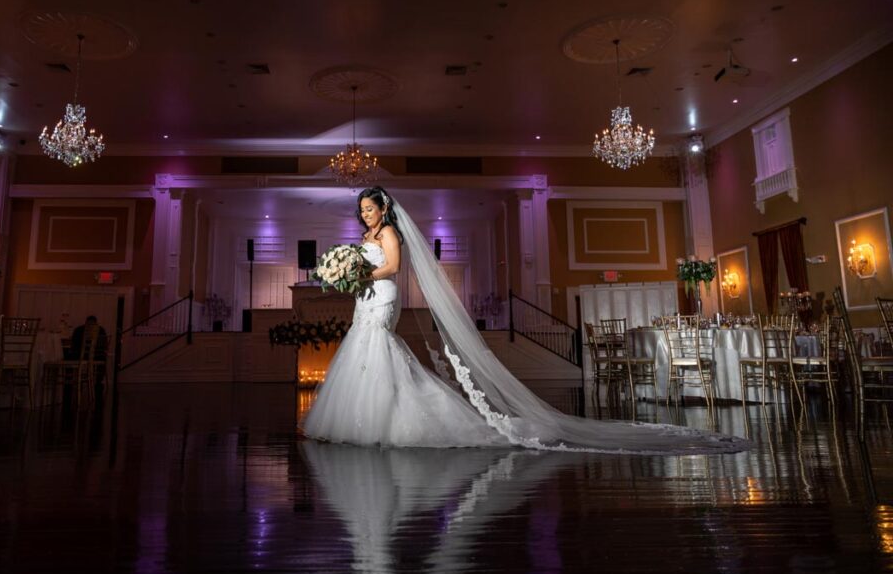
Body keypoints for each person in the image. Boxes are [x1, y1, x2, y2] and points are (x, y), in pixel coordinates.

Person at [299, 186, 750, 455]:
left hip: (383, 294)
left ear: (383, 209)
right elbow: (367, 263)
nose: (365, 215)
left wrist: (361, 270)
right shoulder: (363, 237)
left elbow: (394, 268)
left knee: (379, 345)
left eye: (370, 209)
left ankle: (392, 420)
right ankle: (367, 421)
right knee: (363, 346)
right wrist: (352, 273)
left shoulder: (391, 234)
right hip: (365, 297)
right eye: (361, 211)